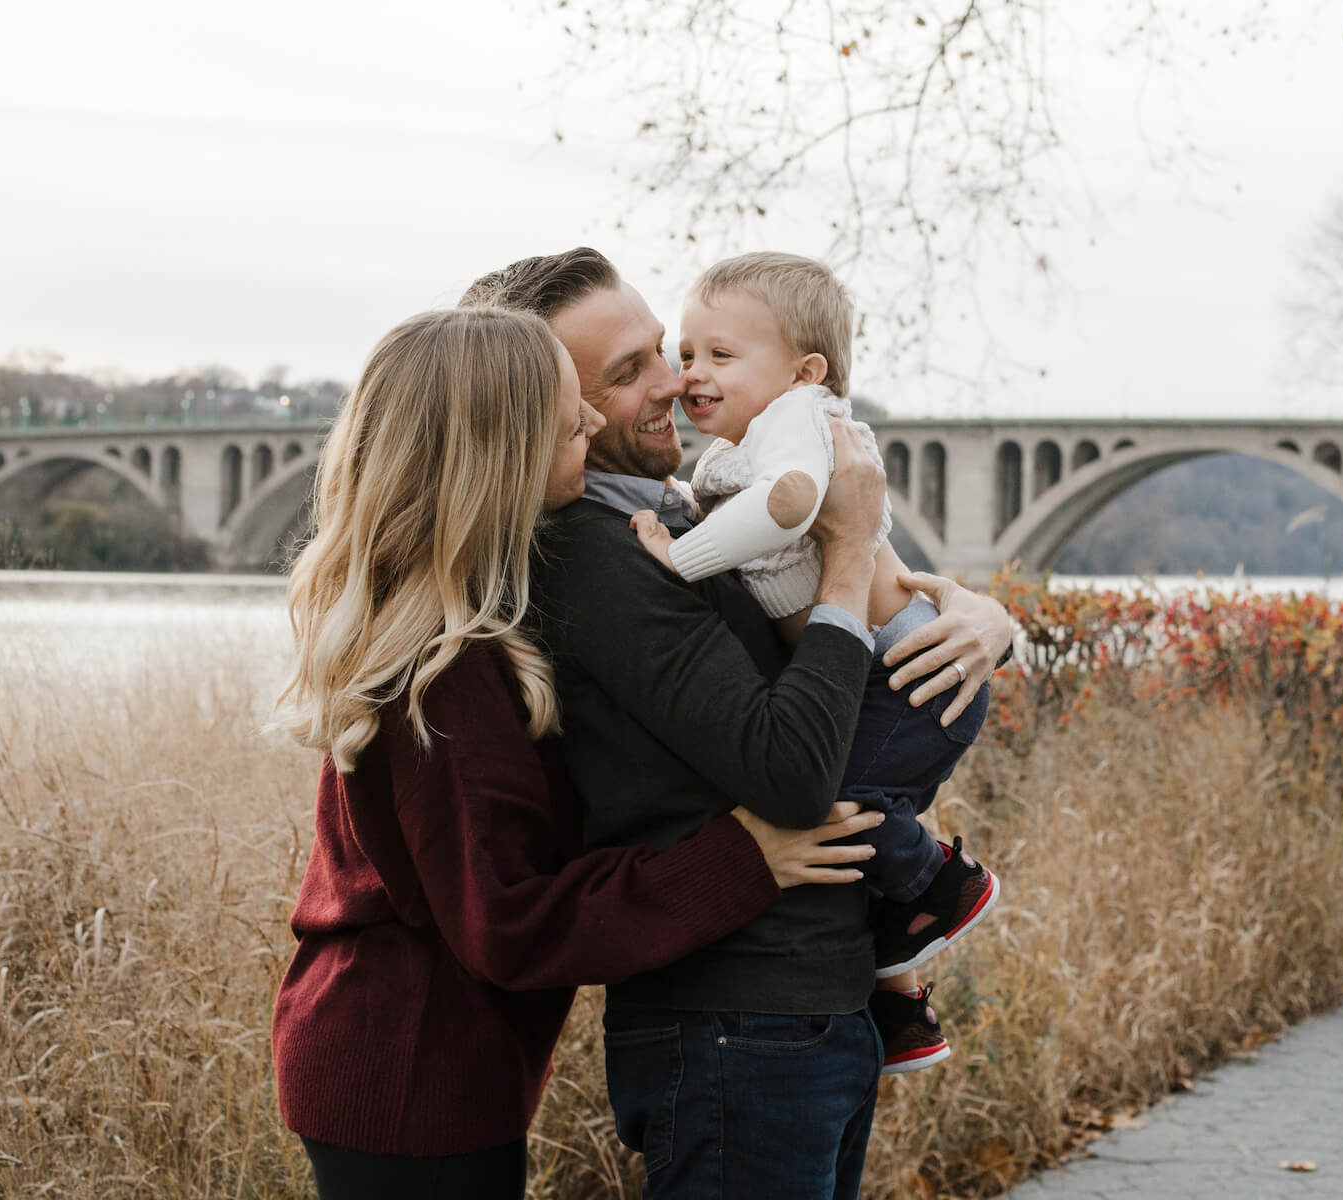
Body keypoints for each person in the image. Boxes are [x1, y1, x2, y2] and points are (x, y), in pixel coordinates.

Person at [267, 306, 884, 1200]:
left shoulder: (483, 609)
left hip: (441, 1060)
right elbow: (508, 922)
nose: (593, 426)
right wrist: (741, 859)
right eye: (571, 416)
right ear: (504, 449)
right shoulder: (441, 670)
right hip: (407, 1069)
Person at [457, 250, 1015, 1199]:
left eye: (661, 354)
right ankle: (932, 895)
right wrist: (845, 552)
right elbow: (794, 767)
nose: (674, 382)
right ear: (556, 409)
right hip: (736, 1027)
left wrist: (977, 622)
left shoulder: (678, 515)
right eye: (623, 373)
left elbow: (838, 656)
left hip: (800, 1015)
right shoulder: (602, 557)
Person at [629, 251, 1001, 1076]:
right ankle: (899, 1010)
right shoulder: (739, 446)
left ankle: (944, 882)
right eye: (687, 354)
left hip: (908, 674)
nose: (692, 374)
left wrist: (675, 562)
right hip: (888, 668)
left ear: (804, 371)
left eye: (721, 356)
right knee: (847, 846)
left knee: (833, 802)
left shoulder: (800, 420)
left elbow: (788, 505)